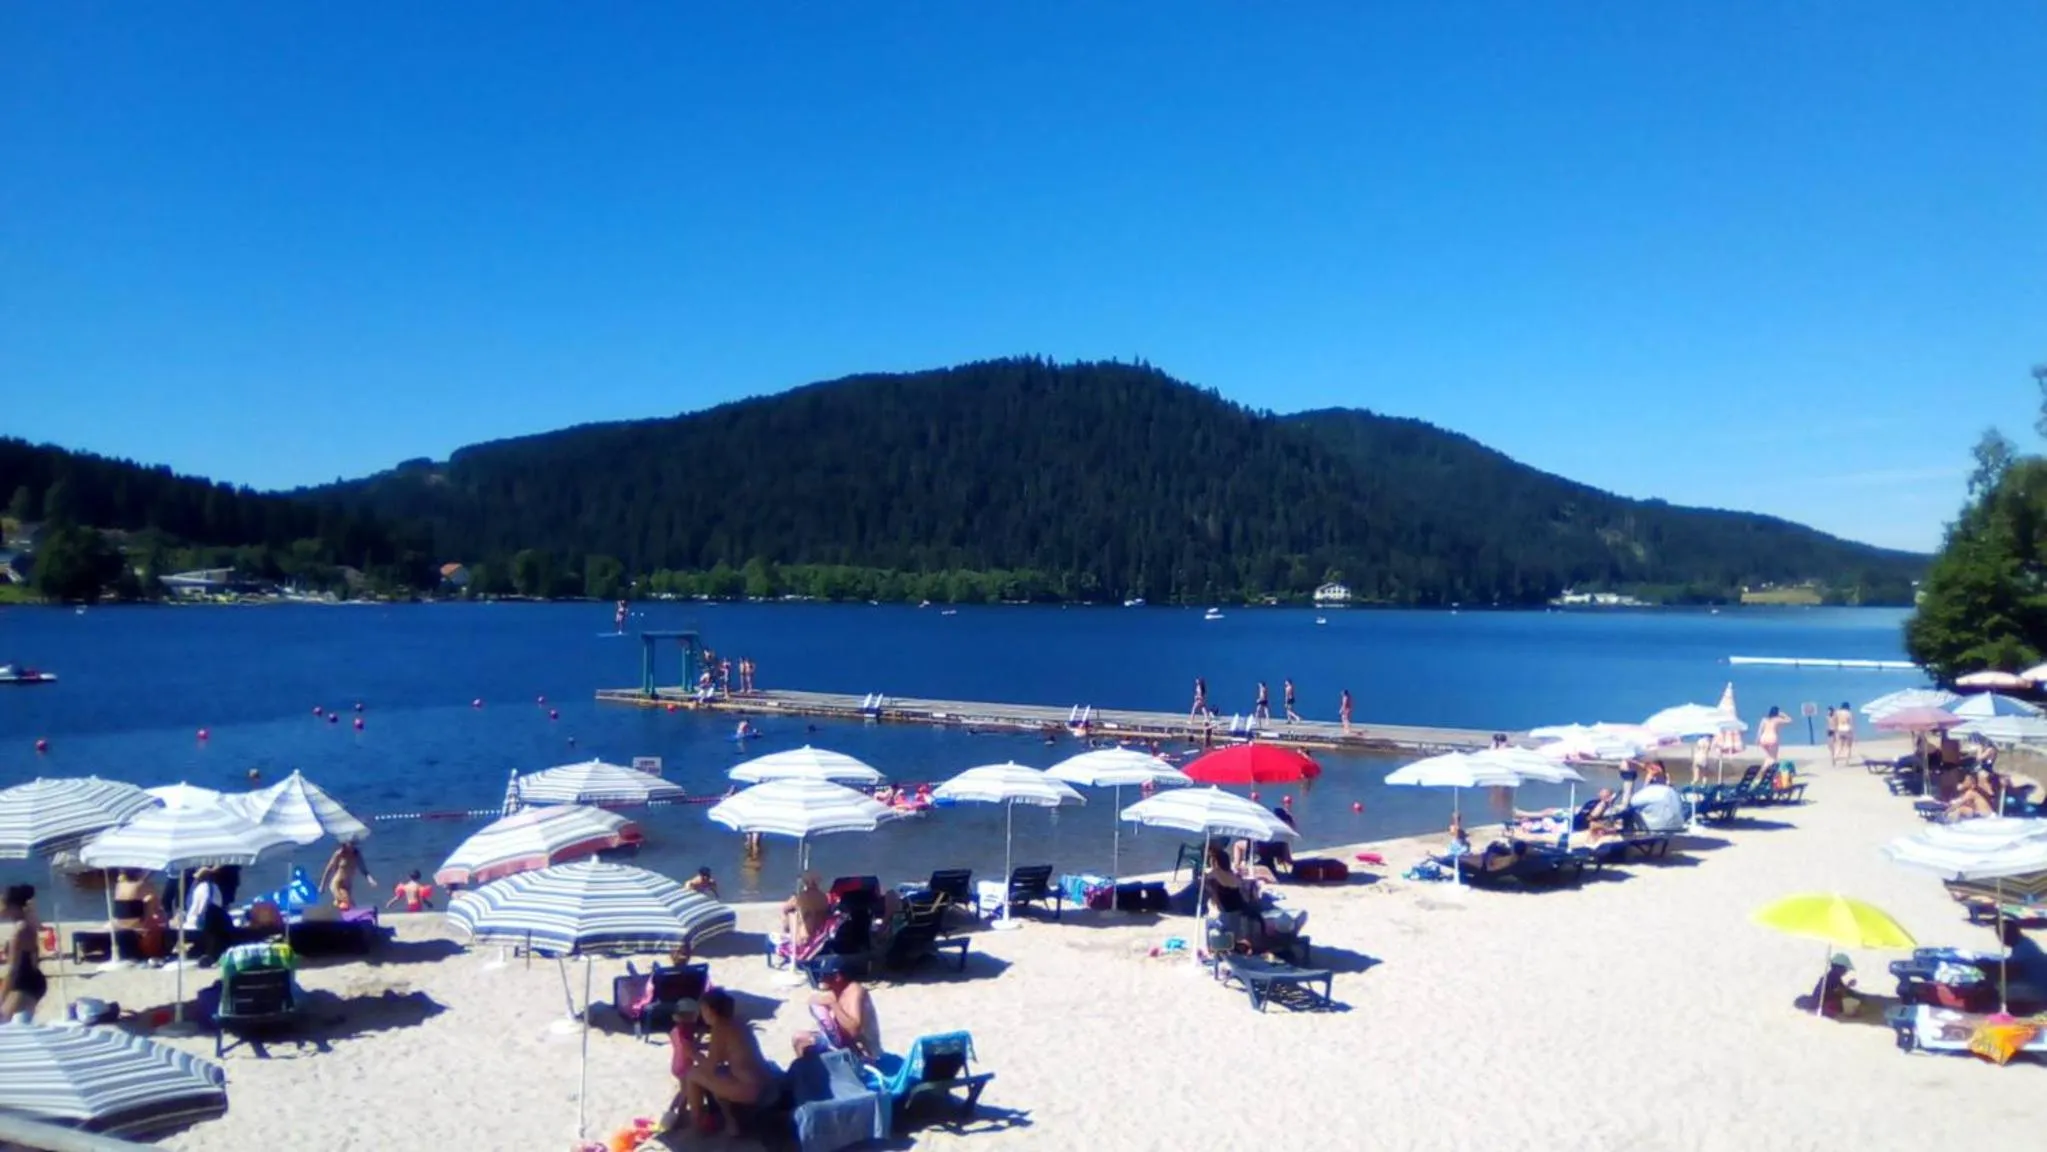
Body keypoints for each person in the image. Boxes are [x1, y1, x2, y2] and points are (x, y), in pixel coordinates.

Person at [673, 988, 779, 1138]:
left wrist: (693, 1053)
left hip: (750, 1089)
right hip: (765, 1081)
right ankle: (731, 1122)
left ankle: (698, 1124)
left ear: (709, 1010)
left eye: (702, 1011)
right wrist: (701, 1048)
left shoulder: (720, 1028)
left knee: (693, 1074)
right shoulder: (737, 1022)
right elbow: (725, 1052)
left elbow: (710, 1067)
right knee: (719, 1075)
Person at [792, 956, 882, 1062]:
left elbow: (854, 1031)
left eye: (824, 976)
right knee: (799, 1039)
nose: (821, 979)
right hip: (843, 1044)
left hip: (862, 1052)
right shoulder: (835, 990)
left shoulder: (854, 992)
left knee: (802, 1041)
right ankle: (807, 1075)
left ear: (838, 976)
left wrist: (833, 1004)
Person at [2, 884, 47, 1022]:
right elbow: (34, 955)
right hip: (31, 979)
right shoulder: (28, 925)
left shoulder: (19, 931)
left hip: (23, 983)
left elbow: (12, 970)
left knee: (8, 1027)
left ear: (12, 907)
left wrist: (1, 998)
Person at [181, 866, 234, 965]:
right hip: (213, 921)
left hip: (199, 921)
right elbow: (218, 905)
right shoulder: (215, 888)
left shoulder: (199, 889)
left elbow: (197, 908)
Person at [319, 839, 375, 911]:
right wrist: (322, 886)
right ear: (345, 844)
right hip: (337, 884)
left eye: (353, 844)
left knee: (342, 904)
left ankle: (330, 915)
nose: (352, 846)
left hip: (348, 886)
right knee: (349, 904)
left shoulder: (357, 855)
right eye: (350, 843)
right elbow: (328, 870)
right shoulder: (339, 853)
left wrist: (370, 880)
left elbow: (364, 870)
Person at [781, 871, 829, 952]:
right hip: (819, 935)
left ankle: (788, 934)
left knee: (791, 913)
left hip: (804, 937)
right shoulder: (823, 897)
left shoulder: (802, 896)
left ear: (805, 883)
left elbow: (784, 909)